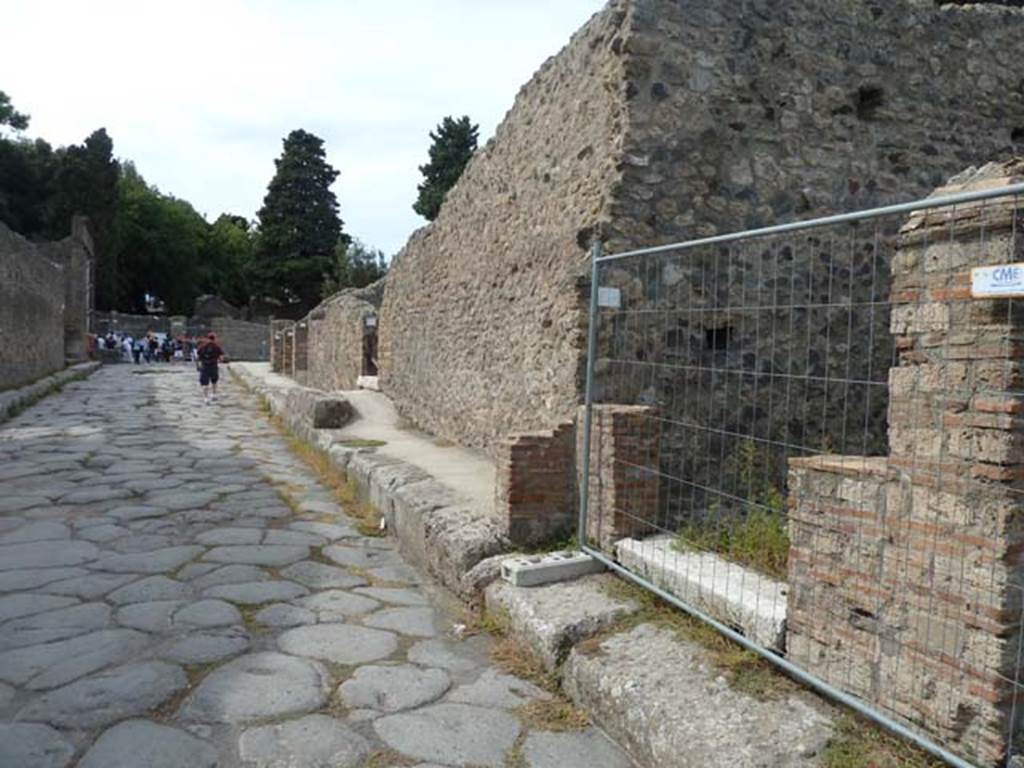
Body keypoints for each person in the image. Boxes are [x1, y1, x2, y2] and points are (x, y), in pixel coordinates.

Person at [196, 332, 226, 405]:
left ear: (207, 338)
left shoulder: (202, 346)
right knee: (214, 381)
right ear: (214, 338)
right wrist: (219, 360)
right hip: (213, 365)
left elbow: (198, 355)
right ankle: (213, 394)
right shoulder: (217, 347)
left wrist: (198, 365)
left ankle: (206, 398)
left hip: (205, 366)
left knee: (205, 383)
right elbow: (221, 357)